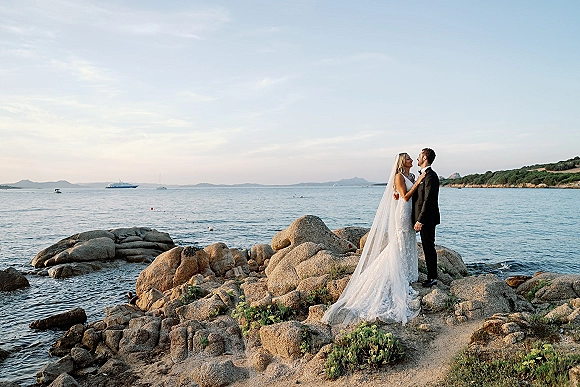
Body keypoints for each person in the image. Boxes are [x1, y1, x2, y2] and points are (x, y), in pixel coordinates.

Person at [321, 153, 425, 326]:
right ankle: (395, 272)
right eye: (408, 158)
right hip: (402, 212)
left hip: (410, 213)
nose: (411, 160)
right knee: (399, 241)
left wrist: (416, 182)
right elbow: (405, 196)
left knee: (408, 240)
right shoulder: (399, 176)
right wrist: (418, 182)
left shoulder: (411, 176)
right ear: (401, 162)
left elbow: (402, 194)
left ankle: (407, 272)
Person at [413, 148, 441, 288]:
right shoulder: (423, 176)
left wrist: (420, 220)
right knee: (426, 246)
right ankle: (432, 275)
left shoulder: (431, 176)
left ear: (424, 158)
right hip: (421, 218)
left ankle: (432, 277)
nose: (417, 158)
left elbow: (428, 200)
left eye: (419, 156)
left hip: (427, 219)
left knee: (428, 247)